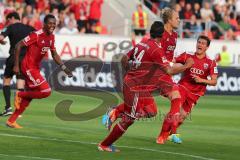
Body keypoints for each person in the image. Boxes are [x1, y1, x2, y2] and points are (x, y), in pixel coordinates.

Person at [98, 21, 194, 152]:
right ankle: (105, 144)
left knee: (151, 111)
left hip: (140, 87)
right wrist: (186, 66)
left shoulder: (141, 43)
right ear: (162, 34)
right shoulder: (156, 49)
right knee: (129, 119)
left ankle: (115, 112)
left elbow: (124, 59)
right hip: (135, 87)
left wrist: (129, 71)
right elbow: (169, 71)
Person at [6, 14, 73, 129]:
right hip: (28, 67)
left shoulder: (51, 37)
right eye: (50, 23)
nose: (52, 25)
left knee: (30, 96)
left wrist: (64, 68)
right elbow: (18, 46)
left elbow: (54, 54)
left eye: (54, 23)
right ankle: (19, 93)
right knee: (46, 91)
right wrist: (16, 65)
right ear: (44, 24)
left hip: (35, 68)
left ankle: (11, 120)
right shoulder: (36, 35)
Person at [159, 35, 218, 144]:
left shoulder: (211, 62)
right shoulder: (187, 55)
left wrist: (201, 80)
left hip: (196, 93)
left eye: (202, 43)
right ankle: (165, 136)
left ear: (207, 47)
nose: (199, 44)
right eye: (198, 42)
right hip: (183, 87)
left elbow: (214, 81)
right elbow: (173, 62)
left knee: (182, 117)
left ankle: (168, 134)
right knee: (175, 110)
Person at [0, 12, 35, 116]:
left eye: (8, 20)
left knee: (6, 81)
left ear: (12, 18)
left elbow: (1, 38)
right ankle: (18, 110)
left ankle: (8, 108)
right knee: (20, 83)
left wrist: (2, 42)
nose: (8, 22)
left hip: (13, 58)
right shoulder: (29, 28)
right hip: (24, 59)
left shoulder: (10, 27)